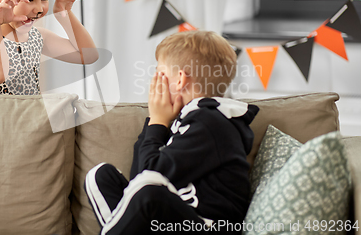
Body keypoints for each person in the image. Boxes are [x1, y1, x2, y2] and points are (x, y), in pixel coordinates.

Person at [85, 30, 259, 234]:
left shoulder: (211, 121)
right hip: (171, 221)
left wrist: (159, 121)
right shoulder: (185, 120)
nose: (155, 80)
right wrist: (156, 121)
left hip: (207, 226)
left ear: (179, 80)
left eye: (160, 73)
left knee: (149, 187)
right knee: (101, 176)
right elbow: (137, 179)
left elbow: (149, 176)